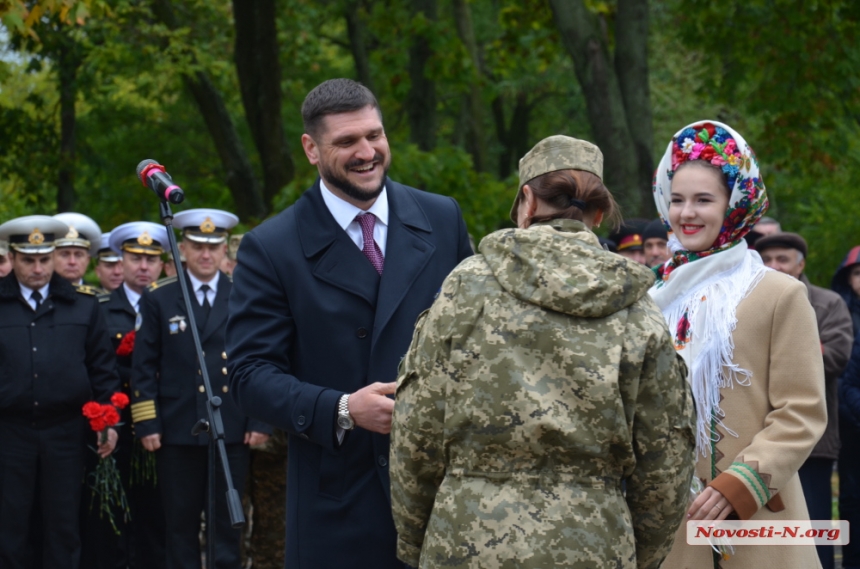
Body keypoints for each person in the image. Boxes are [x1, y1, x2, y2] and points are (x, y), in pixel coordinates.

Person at [390, 135, 695, 569]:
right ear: (601, 212)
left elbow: (416, 432)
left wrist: (417, 538)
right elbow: (665, 462)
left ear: (527, 202)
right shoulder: (636, 307)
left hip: (466, 537)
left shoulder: (466, 288)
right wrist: (635, 553)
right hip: (594, 542)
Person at [226, 78, 473, 568]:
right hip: (337, 500)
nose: (367, 153)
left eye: (374, 136)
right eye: (346, 142)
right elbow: (249, 376)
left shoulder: (441, 217)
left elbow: (478, 340)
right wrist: (341, 408)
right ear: (311, 149)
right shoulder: (271, 247)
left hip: (444, 496)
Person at [649, 121, 826, 568]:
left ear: (735, 204)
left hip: (756, 524)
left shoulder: (777, 293)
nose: (686, 213)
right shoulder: (649, 298)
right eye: (677, 199)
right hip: (668, 530)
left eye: (703, 200)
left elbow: (801, 411)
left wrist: (741, 483)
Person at [132, 209, 271, 569]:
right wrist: (147, 423)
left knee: (228, 522)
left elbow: (261, 358)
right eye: (197, 246)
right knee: (179, 524)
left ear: (225, 249)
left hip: (232, 425)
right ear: (182, 249)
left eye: (214, 246)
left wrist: (260, 417)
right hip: (178, 428)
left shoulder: (243, 294)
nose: (206, 254)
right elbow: (144, 366)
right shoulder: (159, 297)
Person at [0, 215, 121, 569]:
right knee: (10, 528)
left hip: (66, 431)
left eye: (44, 259)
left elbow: (103, 370)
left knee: (64, 527)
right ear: (13, 257)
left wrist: (108, 420)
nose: (37, 269)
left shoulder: (82, 305)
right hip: (10, 431)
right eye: (27, 260)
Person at [755, 232, 851, 569]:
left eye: (782, 259)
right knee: (767, 534)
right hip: (757, 441)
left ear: (801, 264)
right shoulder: (747, 300)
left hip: (813, 440)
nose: (774, 266)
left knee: (815, 529)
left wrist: (779, 354)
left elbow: (837, 354)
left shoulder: (826, 302)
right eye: (767, 259)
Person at [82, 222, 170, 569]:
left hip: (162, 428)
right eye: (135, 258)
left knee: (157, 519)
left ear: (163, 263)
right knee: (110, 520)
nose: (143, 266)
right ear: (122, 260)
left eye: (151, 258)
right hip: (115, 428)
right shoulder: (99, 308)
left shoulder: (174, 304)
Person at [831, 246, 860, 569]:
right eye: (858, 272)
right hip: (851, 427)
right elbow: (842, 377)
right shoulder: (842, 314)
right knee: (852, 503)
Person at [52, 212, 102, 290]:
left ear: (87, 260)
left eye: (78, 255)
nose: (72, 262)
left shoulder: (98, 299)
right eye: (64, 254)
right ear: (51, 258)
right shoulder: (41, 296)